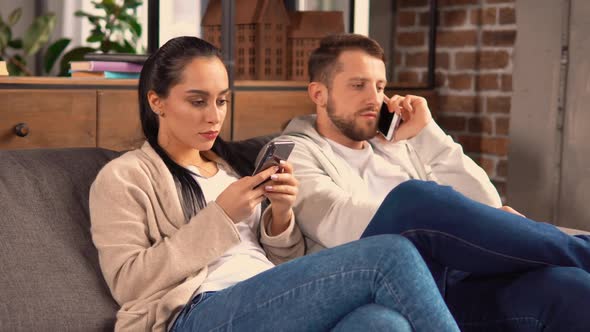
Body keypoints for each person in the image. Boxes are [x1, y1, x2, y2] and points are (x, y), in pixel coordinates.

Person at [88, 36, 459, 332]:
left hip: (268, 298)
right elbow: (128, 283)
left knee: (383, 324)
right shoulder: (126, 176)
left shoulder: (230, 166)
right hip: (197, 313)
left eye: (221, 101)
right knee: (390, 253)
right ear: (157, 102)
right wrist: (220, 216)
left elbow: (281, 261)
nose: (214, 116)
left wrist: (279, 215)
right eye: (198, 101)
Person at [274, 33, 590, 331]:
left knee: (572, 286)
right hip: (389, 288)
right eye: (358, 85)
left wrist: (429, 134)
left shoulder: (398, 145)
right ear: (319, 93)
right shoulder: (294, 153)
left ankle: (578, 257)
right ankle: (582, 250)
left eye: (381, 86)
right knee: (413, 199)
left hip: (460, 283)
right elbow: (341, 225)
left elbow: (486, 205)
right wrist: (448, 219)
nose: (375, 98)